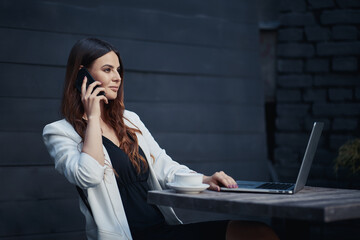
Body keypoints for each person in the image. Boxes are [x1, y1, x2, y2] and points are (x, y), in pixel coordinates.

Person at [43, 38, 279, 240]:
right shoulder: (59, 132)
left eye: (118, 70)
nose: (117, 77)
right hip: (126, 236)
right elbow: (88, 175)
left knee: (257, 233)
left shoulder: (130, 120)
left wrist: (205, 179)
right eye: (107, 70)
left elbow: (165, 167)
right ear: (82, 75)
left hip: (160, 230)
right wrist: (93, 118)